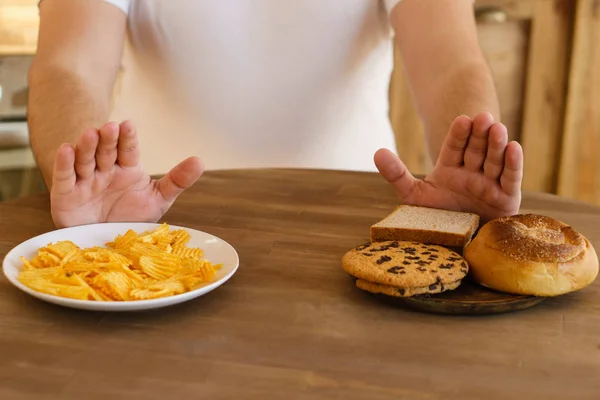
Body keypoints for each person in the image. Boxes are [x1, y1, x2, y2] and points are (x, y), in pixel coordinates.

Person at [27, 0, 523, 229]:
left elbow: (450, 60)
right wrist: (85, 172)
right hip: (147, 226)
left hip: (357, 226)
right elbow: (68, 65)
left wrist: (472, 162)